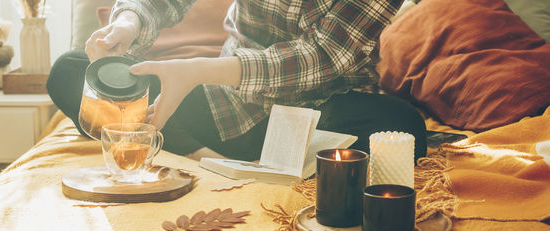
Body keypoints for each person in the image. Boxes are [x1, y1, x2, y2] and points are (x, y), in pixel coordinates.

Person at [47, 0, 427, 162]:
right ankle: (205, 159)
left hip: (323, 116)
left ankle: (177, 151)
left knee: (403, 129)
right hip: (228, 107)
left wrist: (197, 70)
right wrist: (127, 24)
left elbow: (322, 57)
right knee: (70, 69)